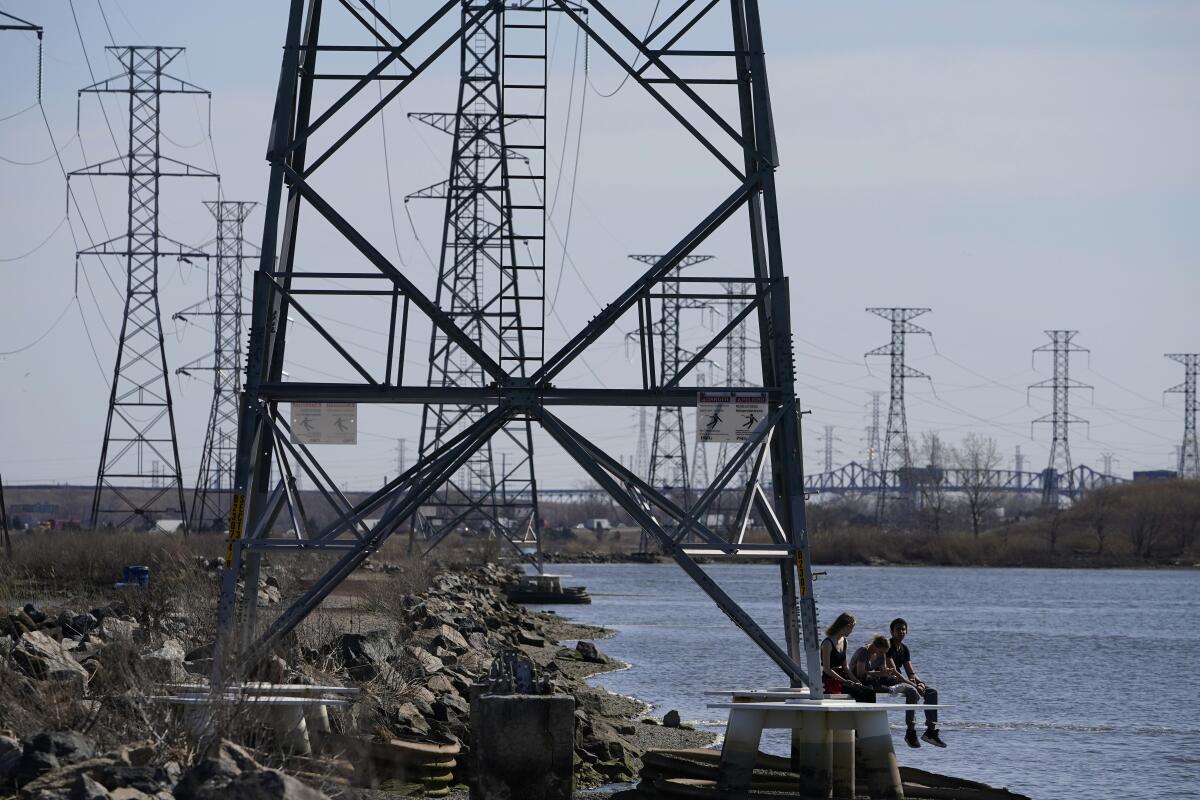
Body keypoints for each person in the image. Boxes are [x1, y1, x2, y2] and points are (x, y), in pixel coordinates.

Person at [887, 617, 946, 748]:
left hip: (903, 680)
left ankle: (930, 731)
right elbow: (895, 674)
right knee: (913, 692)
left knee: (931, 692)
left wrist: (921, 683)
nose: (901, 632)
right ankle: (910, 731)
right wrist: (915, 686)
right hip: (889, 681)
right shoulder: (888, 646)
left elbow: (910, 672)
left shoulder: (904, 649)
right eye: (898, 629)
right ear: (891, 631)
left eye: (903, 629)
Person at [820, 612, 873, 702]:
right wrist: (844, 681)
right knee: (859, 693)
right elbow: (827, 669)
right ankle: (857, 714)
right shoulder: (827, 643)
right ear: (847, 626)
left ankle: (870, 715)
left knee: (869, 690)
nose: (852, 631)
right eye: (852, 628)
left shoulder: (844, 641)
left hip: (843, 678)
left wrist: (856, 680)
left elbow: (845, 667)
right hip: (831, 680)